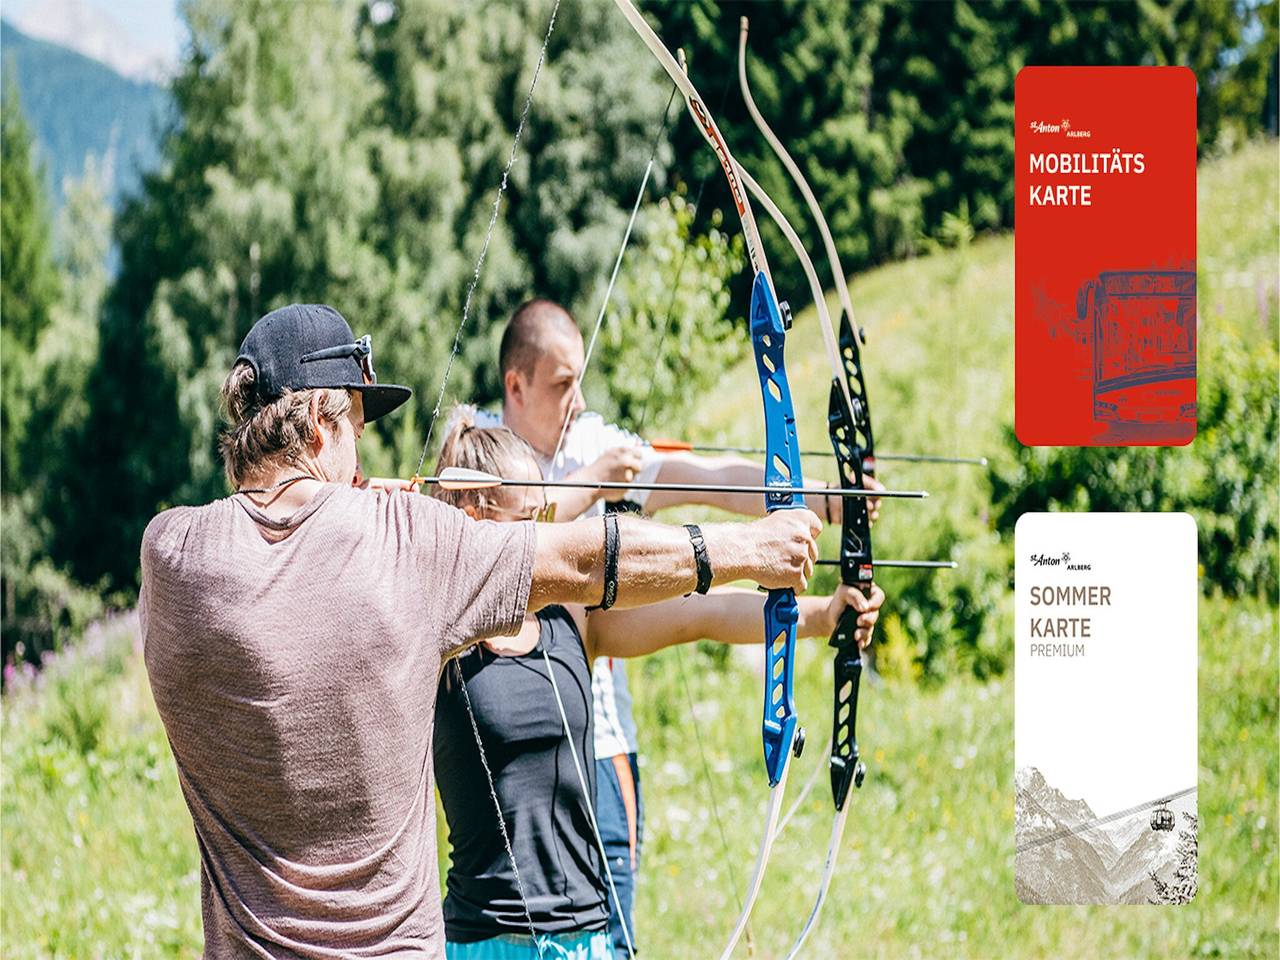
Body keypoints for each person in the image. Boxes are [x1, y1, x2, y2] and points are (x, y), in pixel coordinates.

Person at [139, 303, 823, 959]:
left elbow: (284, 559)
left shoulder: (171, 554)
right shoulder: (402, 540)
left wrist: (347, 516)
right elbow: (585, 560)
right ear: (321, 424)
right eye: (357, 431)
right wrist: (746, 549)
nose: (362, 463)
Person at [467, 298, 879, 955]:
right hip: (496, 745)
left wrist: (826, 501)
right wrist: (591, 485)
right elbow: (487, 547)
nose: (577, 401)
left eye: (581, 381)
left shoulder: (595, 451)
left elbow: (705, 495)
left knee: (612, 931)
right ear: (515, 386)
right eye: (562, 384)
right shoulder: (474, 452)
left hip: (594, 735)